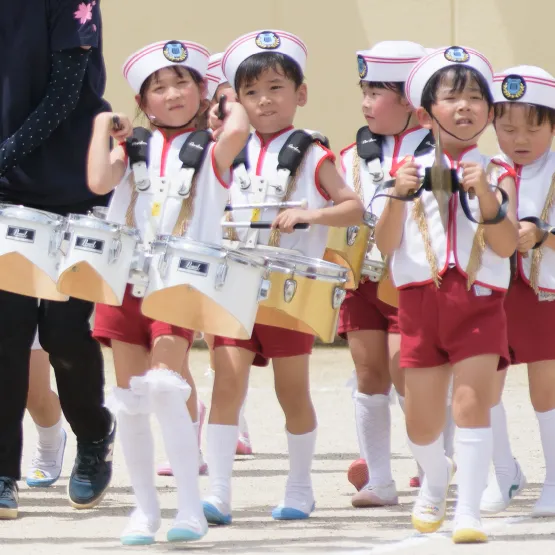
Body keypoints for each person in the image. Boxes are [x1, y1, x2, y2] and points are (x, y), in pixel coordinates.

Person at [87, 38, 250, 544]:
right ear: (143, 102)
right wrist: (103, 126)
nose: (173, 94)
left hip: (178, 282)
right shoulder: (132, 146)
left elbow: (238, 130)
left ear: (202, 91)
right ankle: (144, 510)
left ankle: (190, 509)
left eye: (183, 83)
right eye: (158, 88)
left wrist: (228, 103)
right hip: (124, 281)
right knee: (131, 398)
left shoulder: (212, 147)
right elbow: (98, 182)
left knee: (163, 385)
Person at [203, 29, 364, 525]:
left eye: (276, 88)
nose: (264, 100)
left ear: (301, 93)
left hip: (289, 291)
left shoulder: (312, 153)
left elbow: (353, 208)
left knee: (291, 391)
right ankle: (219, 493)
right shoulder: (223, 149)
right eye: (250, 92)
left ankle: (299, 486)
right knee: (226, 384)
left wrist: (310, 216)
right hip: (234, 287)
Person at [375, 46, 518, 542]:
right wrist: (397, 195)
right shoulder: (402, 169)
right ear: (424, 114)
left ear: (490, 112)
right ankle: (436, 475)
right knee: (421, 422)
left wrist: (486, 196)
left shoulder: (497, 171)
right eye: (452, 98)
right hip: (420, 301)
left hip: (479, 300)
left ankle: (468, 512)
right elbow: (385, 244)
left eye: (476, 98)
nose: (465, 107)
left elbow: (506, 245)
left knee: (471, 402)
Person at [0, 0, 115, 520]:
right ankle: (3, 473)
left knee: (64, 335)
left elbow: (67, 93)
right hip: (7, 191)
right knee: (6, 336)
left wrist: (5, 155)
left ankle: (93, 435)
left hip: (73, 187)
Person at [339, 40, 434, 506]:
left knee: (406, 370)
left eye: (376, 92)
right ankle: (379, 479)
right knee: (368, 371)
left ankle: (431, 466)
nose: (365, 102)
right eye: (364, 91)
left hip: (411, 278)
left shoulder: (436, 156)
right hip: (362, 280)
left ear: (411, 101)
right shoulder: (349, 155)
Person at [480, 65, 555, 517]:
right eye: (507, 129)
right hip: (492, 292)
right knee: (483, 382)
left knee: (546, 388)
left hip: (544, 293)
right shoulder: (485, 170)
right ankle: (503, 470)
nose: (519, 139)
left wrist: (543, 236)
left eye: (533, 128)